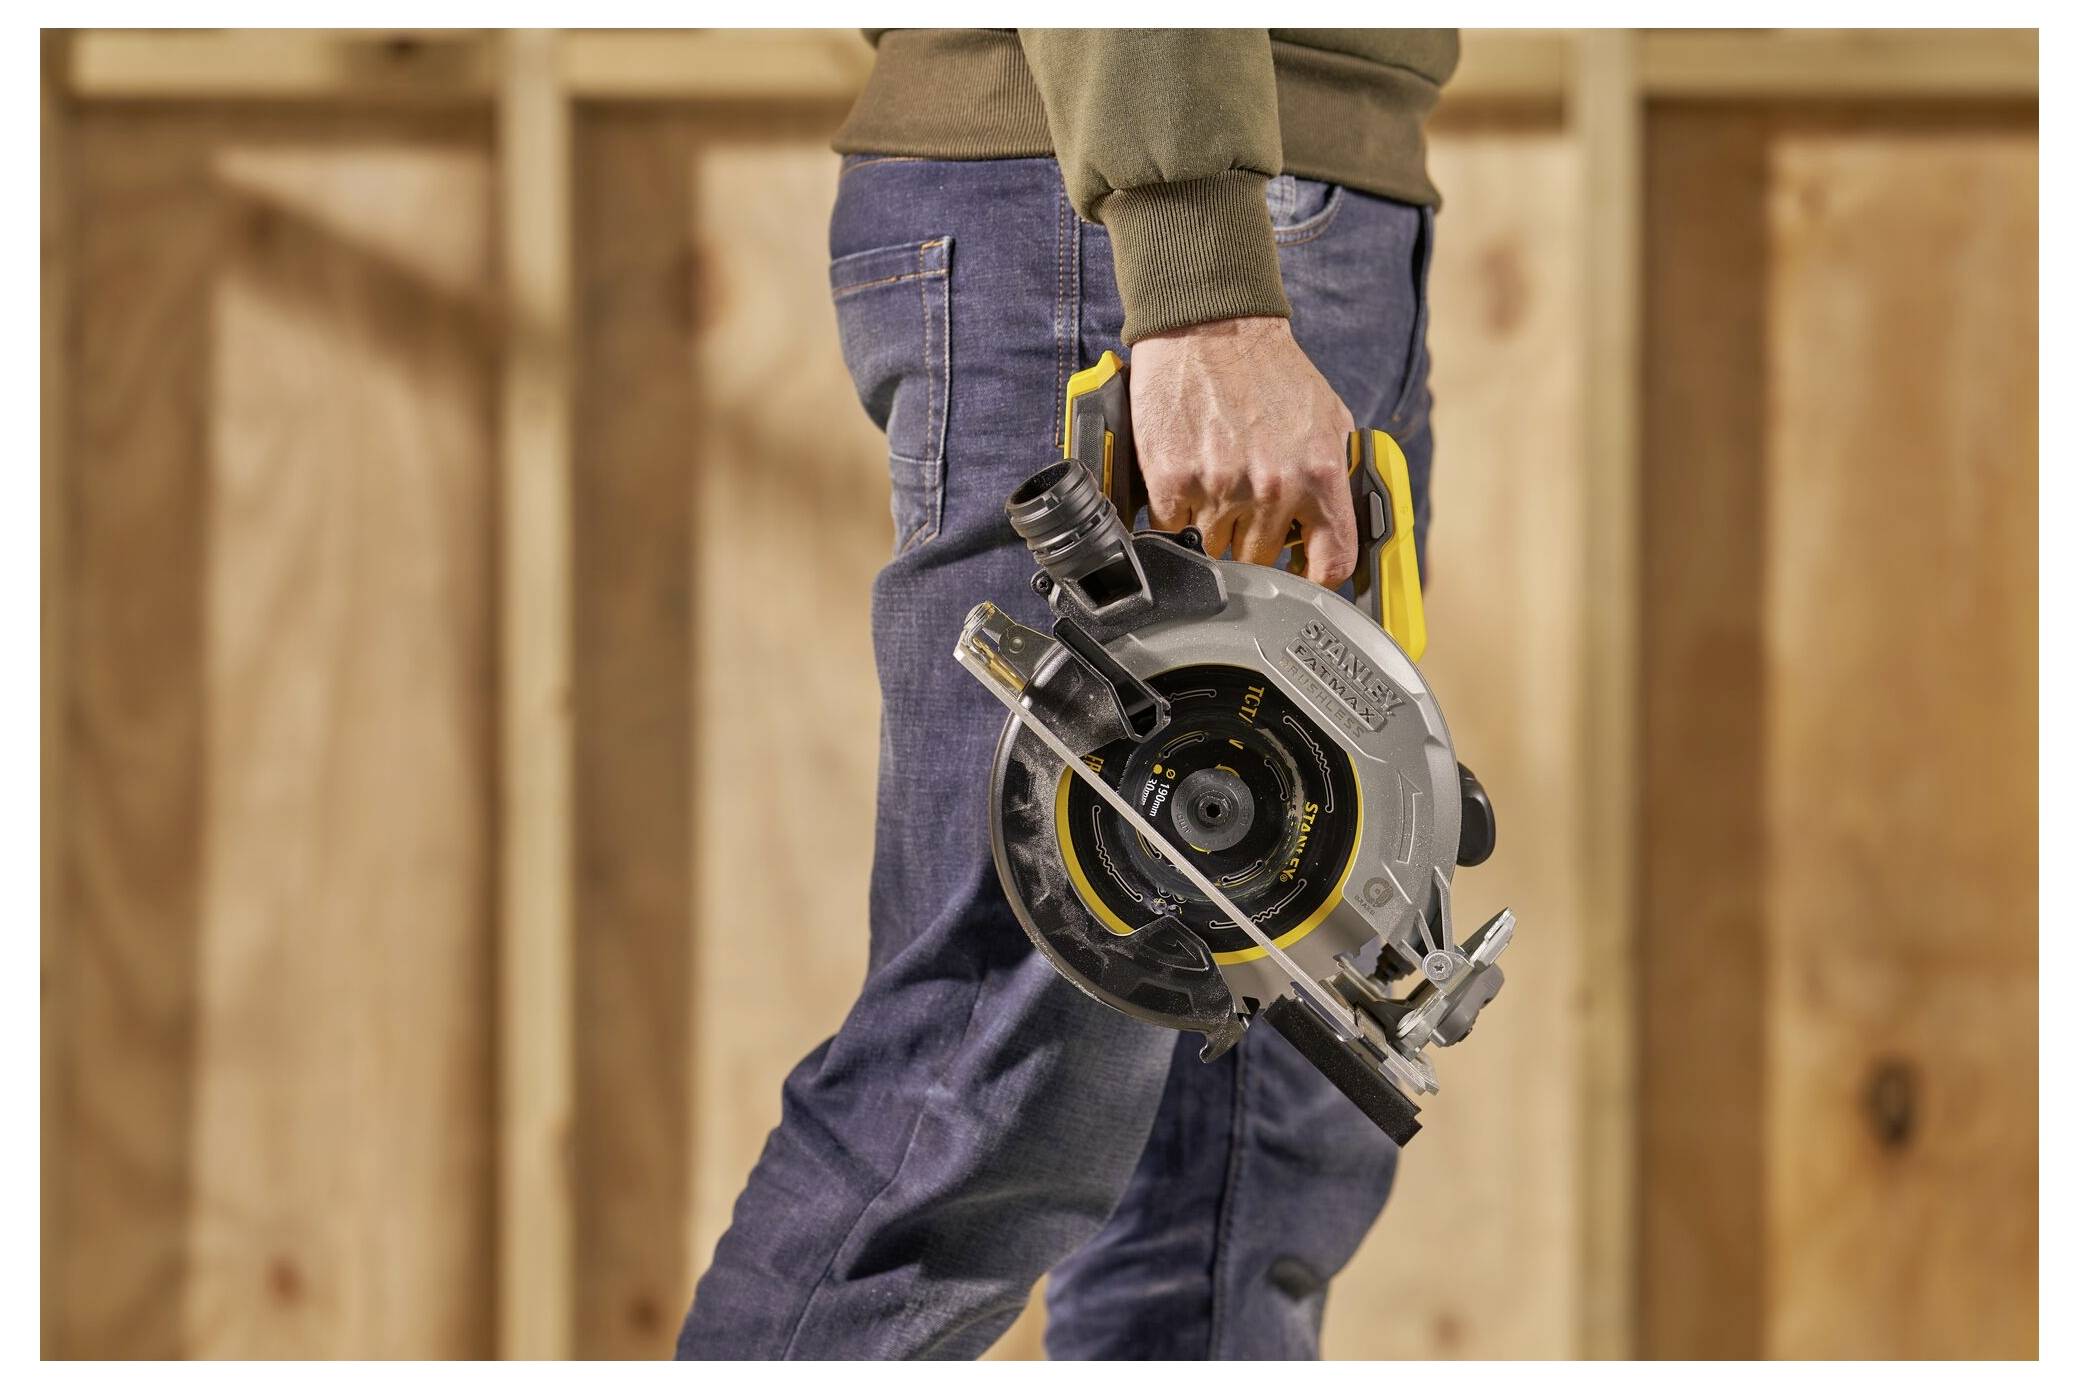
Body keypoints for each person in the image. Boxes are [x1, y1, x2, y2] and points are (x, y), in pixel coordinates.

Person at [677, 28, 1454, 1360]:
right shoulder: (1180, 238)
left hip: (1291, 194)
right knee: (999, 1066)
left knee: (1253, 1120)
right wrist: (1196, 269)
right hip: (1124, 206)